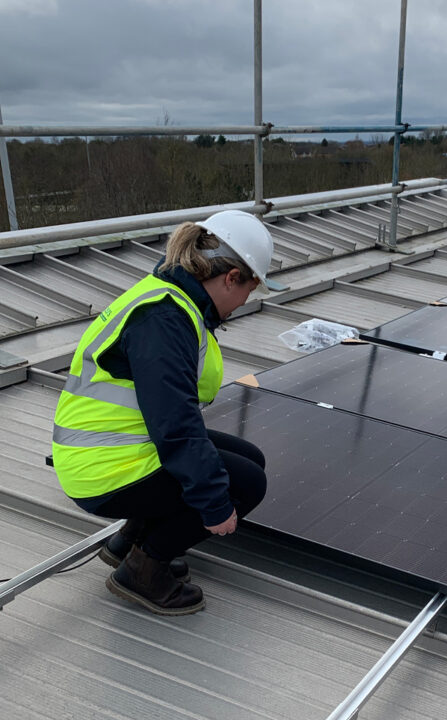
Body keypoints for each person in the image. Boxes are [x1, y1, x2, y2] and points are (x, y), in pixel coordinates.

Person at [52, 210, 273, 616]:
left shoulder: (169, 296)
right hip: (104, 468)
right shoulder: (165, 316)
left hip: (111, 448)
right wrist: (214, 502)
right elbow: (175, 424)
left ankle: (128, 544)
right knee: (244, 485)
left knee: (249, 459)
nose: (243, 304)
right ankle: (143, 570)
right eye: (249, 291)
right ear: (231, 278)